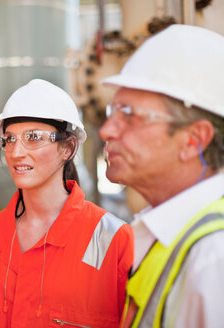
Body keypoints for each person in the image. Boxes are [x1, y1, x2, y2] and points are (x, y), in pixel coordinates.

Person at [0, 79, 134, 328]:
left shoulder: (113, 240)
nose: (16, 152)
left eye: (33, 137)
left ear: (68, 148)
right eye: (9, 139)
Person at [99, 24, 224, 328]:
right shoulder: (175, 236)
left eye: (129, 114)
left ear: (193, 140)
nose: (106, 131)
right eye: (111, 111)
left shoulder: (213, 257)